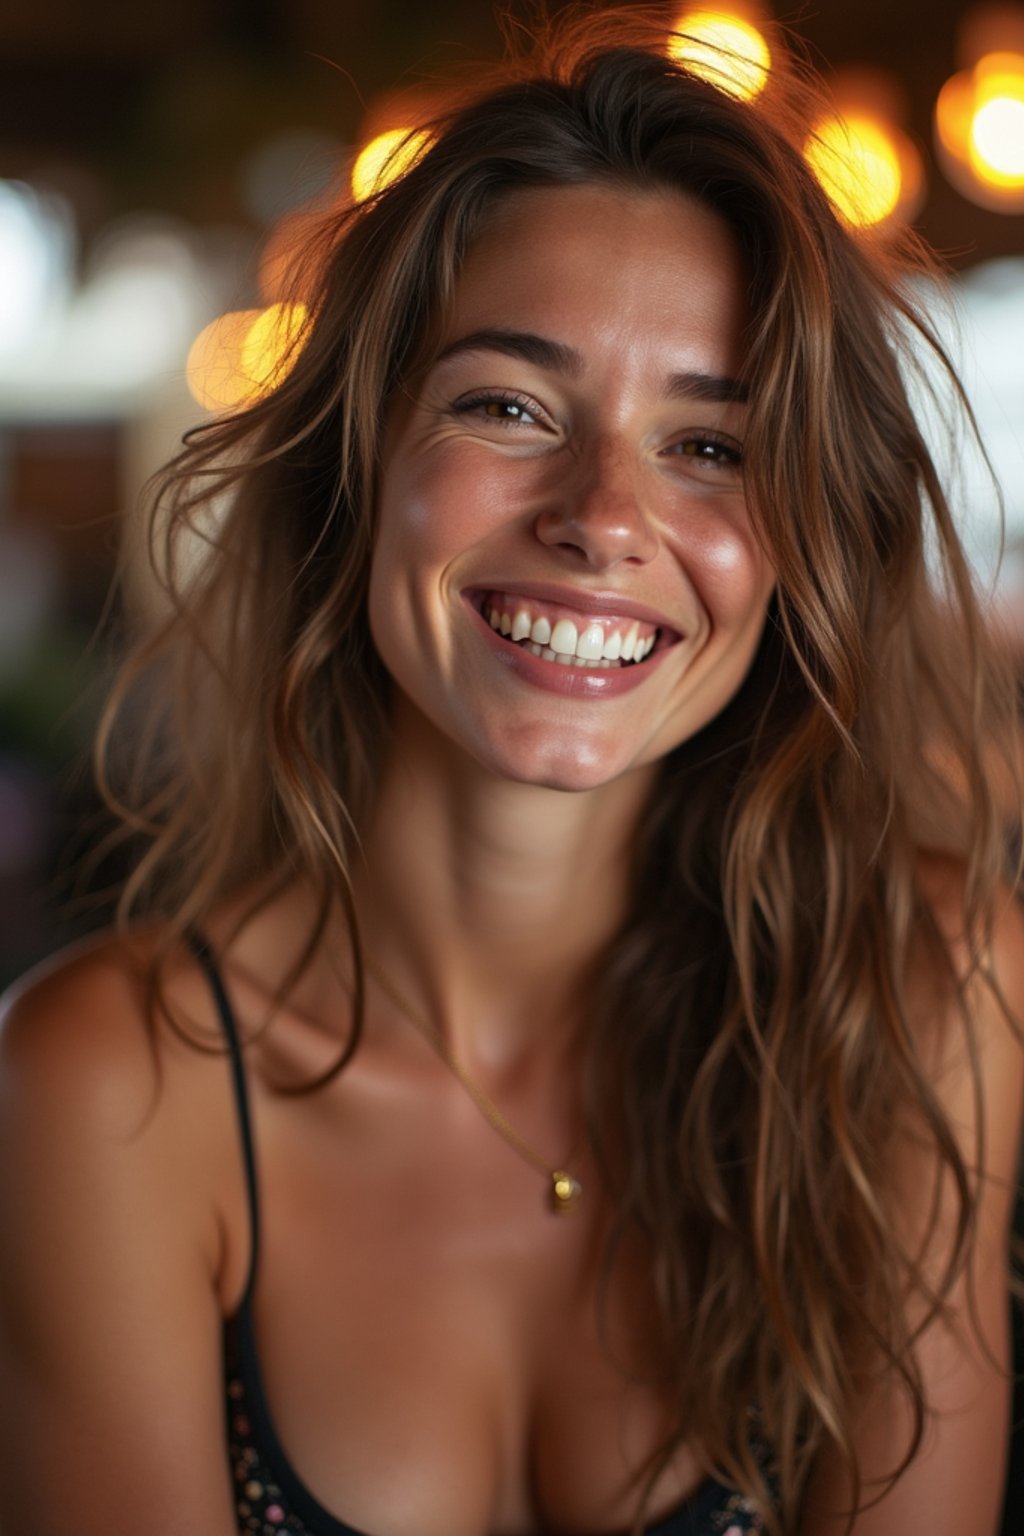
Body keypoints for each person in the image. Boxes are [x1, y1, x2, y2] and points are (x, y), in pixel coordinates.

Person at [0, 8, 1021, 1535]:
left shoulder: (925, 994)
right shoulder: (108, 1086)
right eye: (508, 406)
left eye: (713, 447)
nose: (604, 517)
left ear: (806, 538)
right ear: (359, 469)